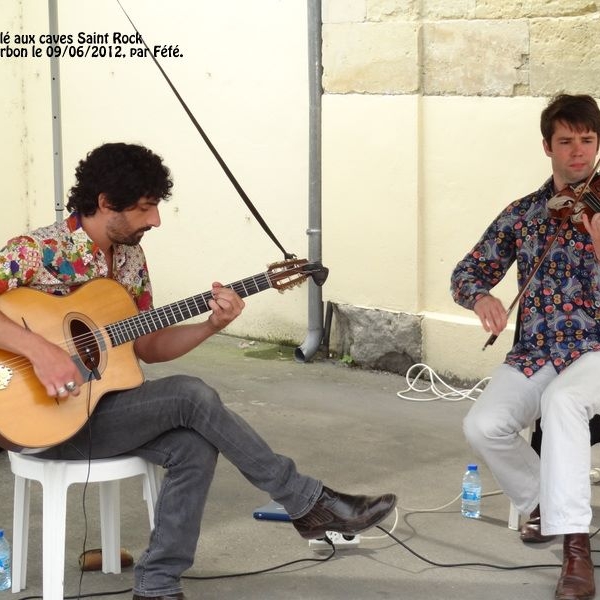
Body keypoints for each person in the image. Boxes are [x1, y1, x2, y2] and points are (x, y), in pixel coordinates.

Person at [0, 142, 397, 600]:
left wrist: (211, 325)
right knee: (190, 395)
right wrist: (39, 350)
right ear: (106, 202)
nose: (156, 220)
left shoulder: (129, 260)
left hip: (100, 412)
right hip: (42, 420)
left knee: (193, 446)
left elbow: (147, 346)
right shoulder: (36, 251)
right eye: (145, 208)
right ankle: (306, 501)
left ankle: (157, 584)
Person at [451, 93, 600, 600]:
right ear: (547, 147)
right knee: (483, 425)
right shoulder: (525, 214)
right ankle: (544, 502)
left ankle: (576, 551)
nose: (578, 152)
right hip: (537, 351)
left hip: (595, 349)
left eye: (588, 140)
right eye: (567, 141)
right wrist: (481, 297)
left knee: (563, 402)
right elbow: (466, 271)